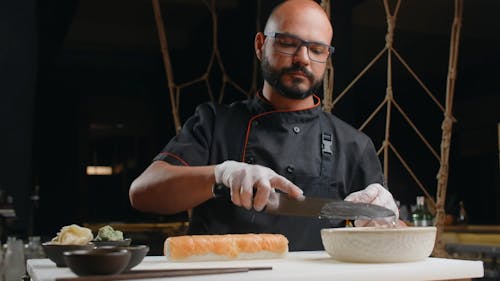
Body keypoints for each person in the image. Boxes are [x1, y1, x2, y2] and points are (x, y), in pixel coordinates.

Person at [129, 0, 399, 250]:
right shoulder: (215, 123)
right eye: (288, 43)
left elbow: (396, 236)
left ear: (326, 58)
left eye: (317, 49)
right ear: (260, 45)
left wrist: (387, 223)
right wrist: (221, 174)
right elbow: (143, 193)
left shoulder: (354, 145)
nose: (303, 58)